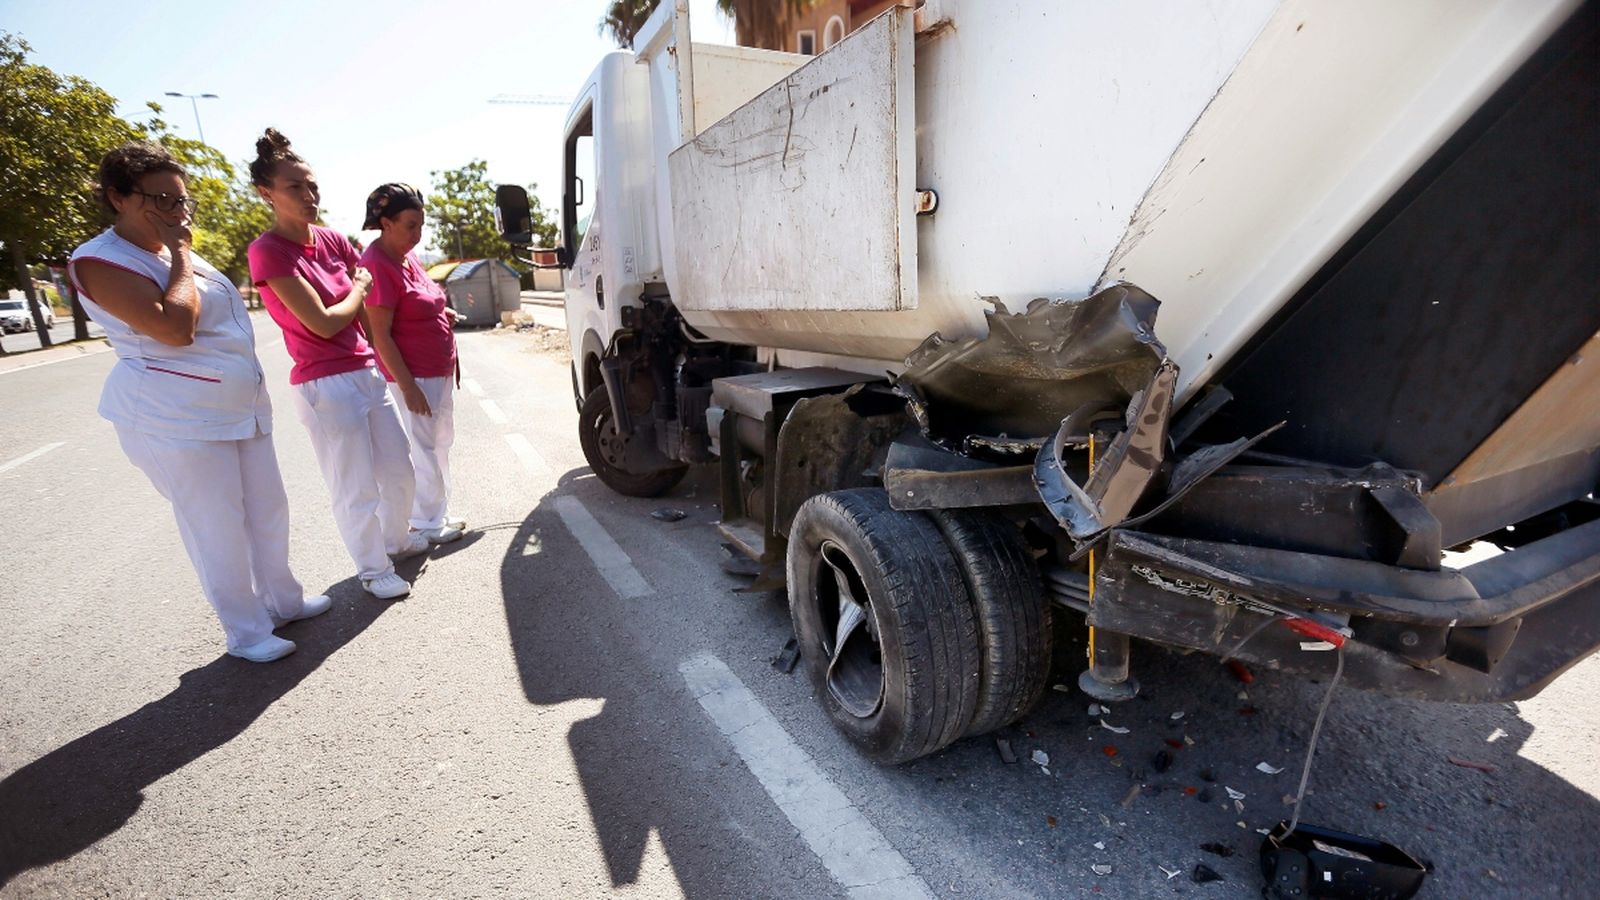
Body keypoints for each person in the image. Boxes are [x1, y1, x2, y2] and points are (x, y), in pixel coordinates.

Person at [69, 141, 329, 663]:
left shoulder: (169, 249)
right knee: (216, 526)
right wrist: (183, 254)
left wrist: (178, 252)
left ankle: (283, 600)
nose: (176, 210)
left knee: (267, 510)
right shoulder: (100, 260)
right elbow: (174, 328)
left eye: (181, 200)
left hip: (237, 409)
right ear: (118, 197)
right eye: (161, 199)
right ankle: (246, 632)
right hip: (175, 419)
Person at [246, 129, 425, 601]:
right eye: (295, 187)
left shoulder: (332, 240)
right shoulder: (268, 251)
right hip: (324, 383)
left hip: (365, 372)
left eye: (312, 186)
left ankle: (395, 541)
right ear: (267, 193)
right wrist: (360, 287)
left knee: (400, 470)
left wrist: (380, 353)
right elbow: (325, 323)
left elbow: (360, 316)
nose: (309, 196)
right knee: (354, 486)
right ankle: (373, 569)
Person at [359, 183, 466, 544]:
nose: (417, 234)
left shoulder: (407, 256)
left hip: (437, 370)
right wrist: (407, 386)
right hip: (414, 375)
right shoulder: (376, 265)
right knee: (422, 447)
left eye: (421, 225)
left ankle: (438, 511)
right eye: (410, 226)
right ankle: (425, 520)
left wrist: (440, 313)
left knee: (440, 442)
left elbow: (417, 302)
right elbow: (379, 333)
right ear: (385, 223)